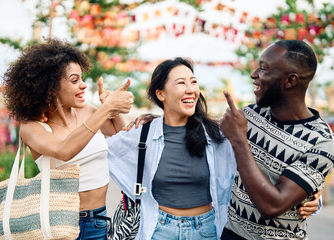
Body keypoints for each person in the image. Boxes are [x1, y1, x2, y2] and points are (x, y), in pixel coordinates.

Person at [2, 38, 134, 240]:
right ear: (50, 88)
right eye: (74, 81)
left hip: (98, 220)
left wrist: (112, 110)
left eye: (82, 79)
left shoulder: (88, 111)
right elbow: (64, 150)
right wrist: (106, 109)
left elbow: (119, 136)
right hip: (58, 225)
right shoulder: (32, 128)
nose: (83, 86)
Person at [106, 57, 237, 240]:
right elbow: (102, 149)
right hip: (159, 230)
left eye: (193, 82)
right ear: (161, 94)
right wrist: (106, 109)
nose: (190, 89)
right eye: (181, 83)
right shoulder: (144, 132)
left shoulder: (216, 136)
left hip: (206, 231)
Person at [219, 40, 334, 240]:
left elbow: (272, 206)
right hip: (230, 234)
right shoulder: (251, 114)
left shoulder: (322, 142)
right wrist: (160, 121)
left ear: (290, 81)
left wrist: (239, 140)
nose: (254, 74)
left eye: (263, 69)